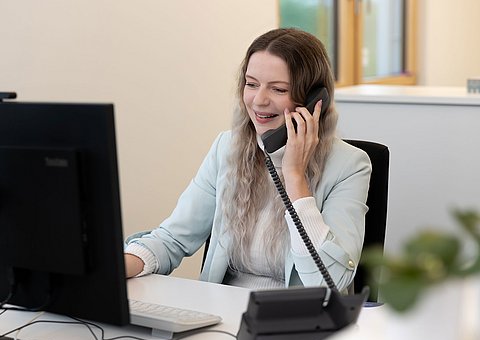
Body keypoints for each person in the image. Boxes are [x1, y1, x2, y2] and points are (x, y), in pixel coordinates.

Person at [124, 28, 371, 294]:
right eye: (251, 84)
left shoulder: (350, 166)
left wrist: (295, 176)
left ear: (314, 101)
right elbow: (173, 238)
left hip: (300, 321)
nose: (259, 100)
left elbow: (329, 282)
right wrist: (113, 270)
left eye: (278, 89)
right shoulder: (227, 148)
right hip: (222, 313)